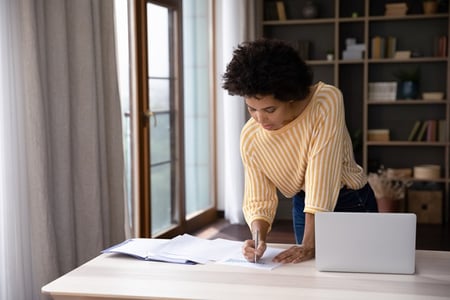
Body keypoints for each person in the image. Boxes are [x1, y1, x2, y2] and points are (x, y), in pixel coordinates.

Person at [222, 39, 378, 264]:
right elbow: (259, 198)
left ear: (290, 96)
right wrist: (257, 239)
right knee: (310, 278)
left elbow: (321, 175)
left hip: (349, 200)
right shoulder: (251, 135)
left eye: (270, 109)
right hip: (303, 204)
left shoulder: (326, 101)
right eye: (251, 109)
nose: (260, 119)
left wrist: (309, 243)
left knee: (362, 275)